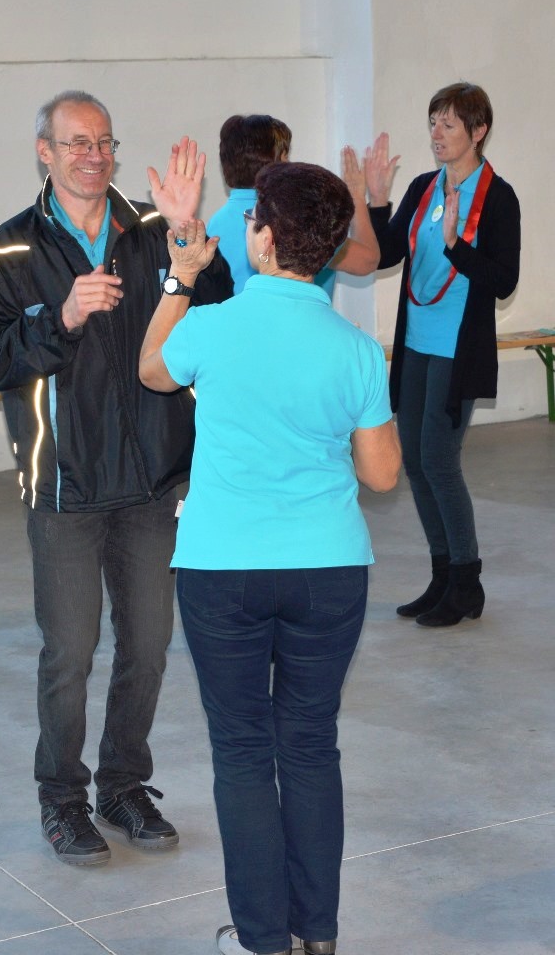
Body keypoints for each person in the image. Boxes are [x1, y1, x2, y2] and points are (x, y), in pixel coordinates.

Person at [0, 90, 233, 866]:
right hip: (65, 489)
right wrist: (61, 318)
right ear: (43, 151)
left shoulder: (153, 229)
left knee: (147, 647)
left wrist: (188, 235)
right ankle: (61, 797)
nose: (94, 155)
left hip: (150, 485)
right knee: (70, 656)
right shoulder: (11, 251)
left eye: (105, 142)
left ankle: (122, 785)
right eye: (77, 143)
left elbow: (214, 310)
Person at [139, 162, 401, 955]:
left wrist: (180, 280)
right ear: (324, 251)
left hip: (223, 571)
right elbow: (382, 474)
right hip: (327, 571)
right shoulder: (353, 347)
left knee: (244, 752)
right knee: (311, 746)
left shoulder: (213, 328)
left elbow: (153, 370)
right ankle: (315, 934)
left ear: (261, 238)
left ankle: (261, 939)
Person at [362, 82, 520, 626]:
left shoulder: (498, 197)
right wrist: (378, 200)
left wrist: (456, 244)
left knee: (439, 462)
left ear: (478, 132)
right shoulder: (426, 187)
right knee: (417, 462)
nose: (437, 134)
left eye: (449, 125)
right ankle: (441, 575)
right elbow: (385, 253)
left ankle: (466, 583)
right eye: (433, 122)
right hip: (416, 344)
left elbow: (503, 281)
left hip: (458, 347)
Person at [207, 113, 381, 296]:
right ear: (274, 164)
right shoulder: (294, 216)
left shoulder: (215, 224)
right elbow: (368, 261)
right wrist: (357, 197)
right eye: (285, 156)